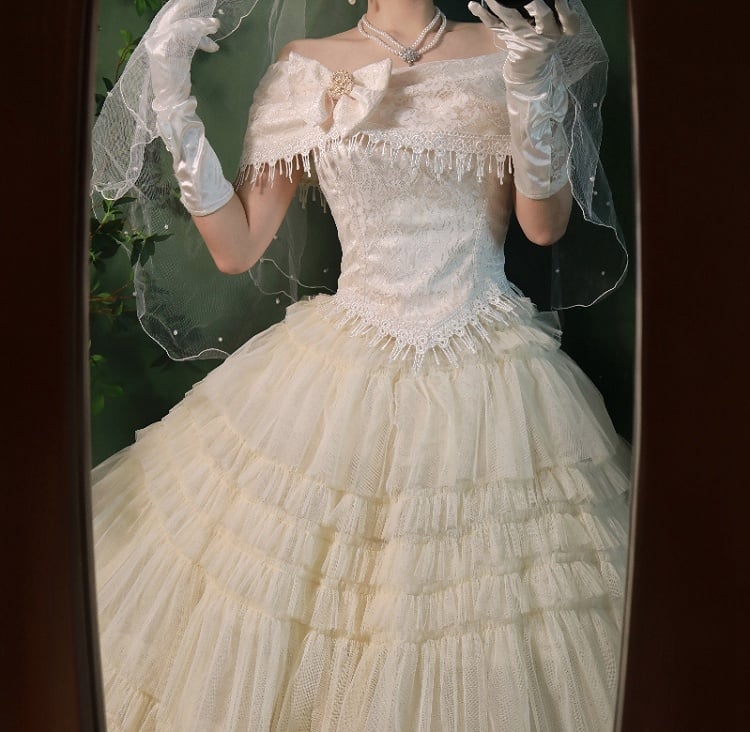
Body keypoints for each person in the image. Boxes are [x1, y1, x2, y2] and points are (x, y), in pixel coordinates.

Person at [91, 0, 631, 729]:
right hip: (344, 363)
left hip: (490, 368)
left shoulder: (505, 47)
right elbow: (237, 248)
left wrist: (533, 80)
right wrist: (172, 98)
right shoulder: (302, 68)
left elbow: (545, 225)